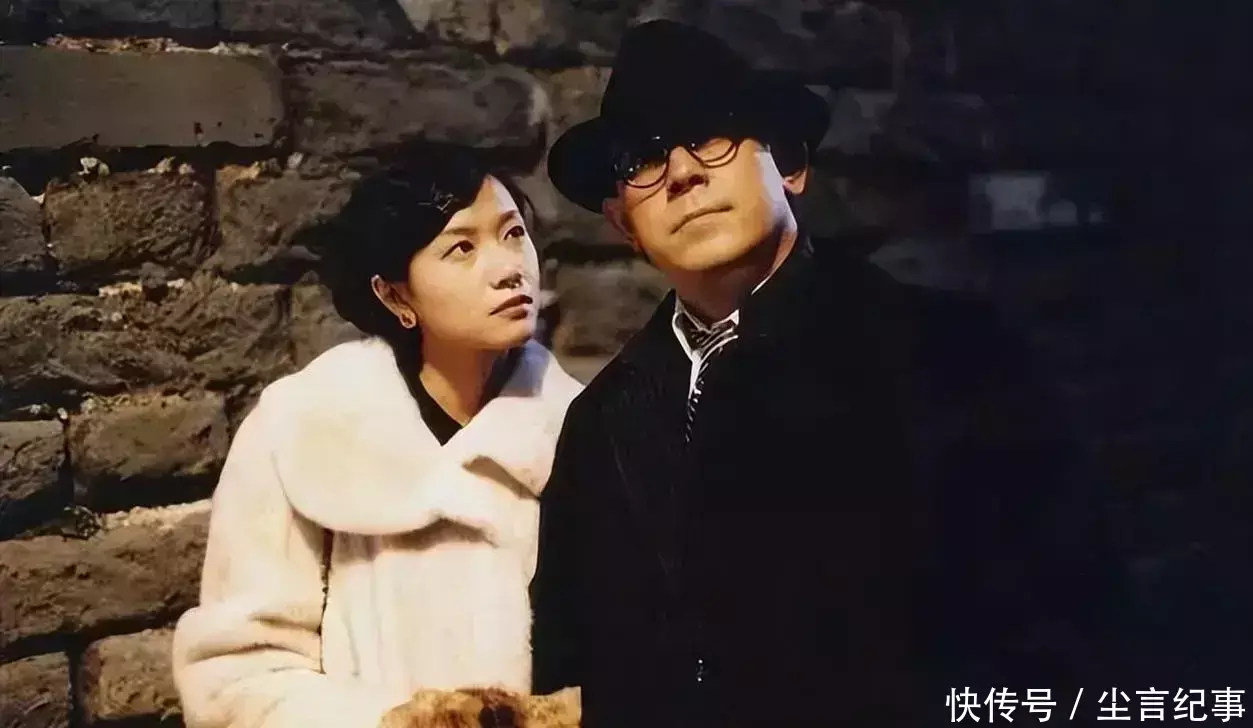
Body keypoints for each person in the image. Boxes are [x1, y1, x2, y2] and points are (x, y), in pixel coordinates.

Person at [529, 20, 1126, 728]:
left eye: (710, 135)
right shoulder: (599, 420)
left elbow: (1066, 624)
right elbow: (568, 662)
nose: (682, 173)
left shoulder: (947, 349)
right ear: (624, 222)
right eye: (642, 160)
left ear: (789, 164)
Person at [171, 146, 584, 728]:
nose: (508, 267)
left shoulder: (586, 427)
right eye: (462, 248)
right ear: (395, 295)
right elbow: (242, 673)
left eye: (513, 234)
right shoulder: (305, 428)